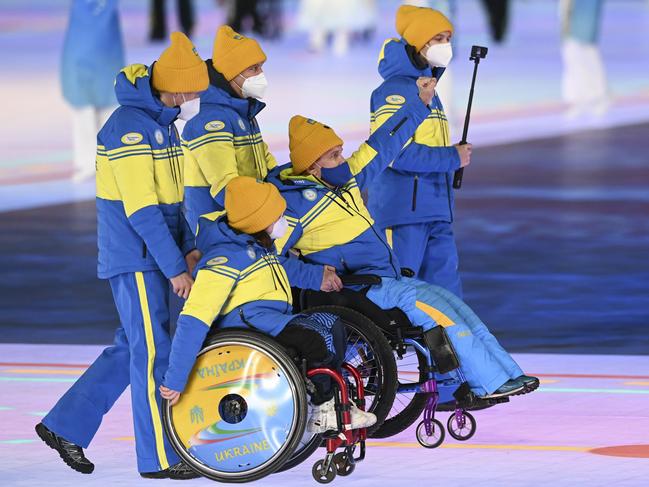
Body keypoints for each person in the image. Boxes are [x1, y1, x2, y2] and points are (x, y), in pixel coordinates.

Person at [266, 110, 539, 400]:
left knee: (455, 306)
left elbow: (384, 144)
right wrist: (314, 275)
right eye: (334, 156)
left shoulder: (345, 182)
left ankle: (507, 372)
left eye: (341, 152)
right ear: (312, 168)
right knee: (439, 315)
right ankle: (487, 382)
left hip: (386, 279)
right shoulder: (294, 207)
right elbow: (270, 260)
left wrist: (417, 106)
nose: (342, 160)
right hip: (361, 287)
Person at [36, 32, 207, 479]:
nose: (195, 100)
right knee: (154, 354)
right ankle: (160, 459)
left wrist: (188, 247)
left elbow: (174, 201)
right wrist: (175, 269)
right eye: (192, 91)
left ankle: (65, 425)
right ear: (174, 87)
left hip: (154, 254)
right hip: (136, 258)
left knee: (134, 346)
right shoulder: (128, 127)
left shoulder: (163, 123)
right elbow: (143, 211)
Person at [159, 177, 377, 433]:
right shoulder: (223, 260)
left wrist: (319, 277)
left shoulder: (257, 249)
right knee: (312, 339)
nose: (284, 219)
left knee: (332, 324)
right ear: (259, 221)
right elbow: (194, 318)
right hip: (250, 329)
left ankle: (332, 400)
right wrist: (176, 378)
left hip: (272, 321)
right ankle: (322, 409)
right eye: (279, 215)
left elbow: (287, 268)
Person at [367, 5, 470, 297]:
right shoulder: (394, 92)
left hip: (436, 210)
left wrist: (452, 155)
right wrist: (452, 157)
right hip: (403, 214)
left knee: (448, 300)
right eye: (438, 38)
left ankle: (448, 344)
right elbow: (396, 153)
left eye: (448, 37)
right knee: (399, 296)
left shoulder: (429, 91)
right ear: (419, 43)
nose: (445, 45)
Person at [182, 25, 276, 234]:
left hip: (243, 222)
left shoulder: (241, 110)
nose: (261, 74)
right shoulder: (211, 119)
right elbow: (226, 186)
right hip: (217, 232)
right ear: (232, 74)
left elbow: (266, 165)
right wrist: (265, 217)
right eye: (253, 69)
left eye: (260, 67)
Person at [61, 0, 125, 182]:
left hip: (98, 48)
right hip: (92, 48)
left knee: (100, 108)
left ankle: (99, 160)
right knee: (88, 108)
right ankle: (93, 160)